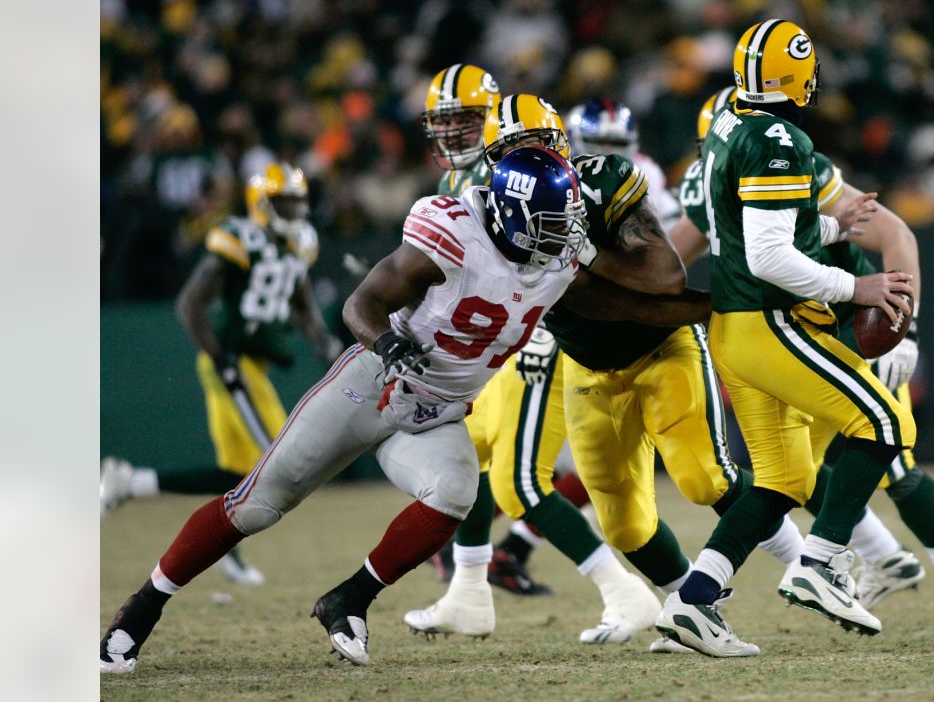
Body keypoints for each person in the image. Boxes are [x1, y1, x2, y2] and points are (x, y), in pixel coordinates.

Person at [100, 147, 598, 673]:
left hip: (436, 412)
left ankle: (349, 601)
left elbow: (618, 296)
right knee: (255, 506)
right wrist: (388, 345)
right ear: (513, 214)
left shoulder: (561, 264)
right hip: (370, 384)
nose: (562, 234)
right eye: (549, 222)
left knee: (455, 493)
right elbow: (359, 305)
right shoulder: (453, 235)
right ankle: (139, 613)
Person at [670, 88, 934, 633]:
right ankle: (849, 562)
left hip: (838, 324)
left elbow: (893, 233)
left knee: (857, 462)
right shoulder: (741, 163)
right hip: (790, 328)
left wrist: (904, 330)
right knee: (823, 464)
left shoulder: (785, 159)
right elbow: (726, 251)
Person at [653, 19, 917, 657]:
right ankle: (823, 562)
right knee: (884, 424)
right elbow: (770, 257)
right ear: (796, 73)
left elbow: (751, 235)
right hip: (768, 321)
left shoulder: (726, 124)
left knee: (782, 480)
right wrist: (858, 288)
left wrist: (828, 227)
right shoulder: (777, 137)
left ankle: (693, 602)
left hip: (735, 328)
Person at [405, 94, 700, 646]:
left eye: (462, 120)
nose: (530, 160)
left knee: (520, 480)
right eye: (514, 149)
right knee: (471, 455)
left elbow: (601, 277)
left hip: (550, 340)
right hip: (508, 343)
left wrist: (543, 322)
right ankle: (468, 592)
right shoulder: (473, 189)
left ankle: (627, 592)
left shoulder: (584, 188)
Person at [100, 162, 344, 586]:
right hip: (232, 361)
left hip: (254, 366)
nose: (292, 211)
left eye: (297, 203)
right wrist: (221, 358)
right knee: (276, 460)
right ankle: (138, 491)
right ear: (263, 204)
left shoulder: (301, 242)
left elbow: (303, 300)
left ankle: (134, 486)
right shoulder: (239, 237)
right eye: (283, 202)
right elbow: (189, 303)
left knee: (240, 473)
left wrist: (324, 341)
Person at [421, 62, 591, 597]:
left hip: (534, 332)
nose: (451, 133)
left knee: (528, 469)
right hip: (498, 343)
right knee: (509, 468)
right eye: (443, 122)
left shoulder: (524, 172)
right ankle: (474, 570)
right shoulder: (456, 180)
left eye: (465, 120)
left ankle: (478, 566)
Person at [565, 97, 683, 229]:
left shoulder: (645, 171)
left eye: (617, 143)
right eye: (598, 142)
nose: (607, 153)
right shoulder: (559, 174)